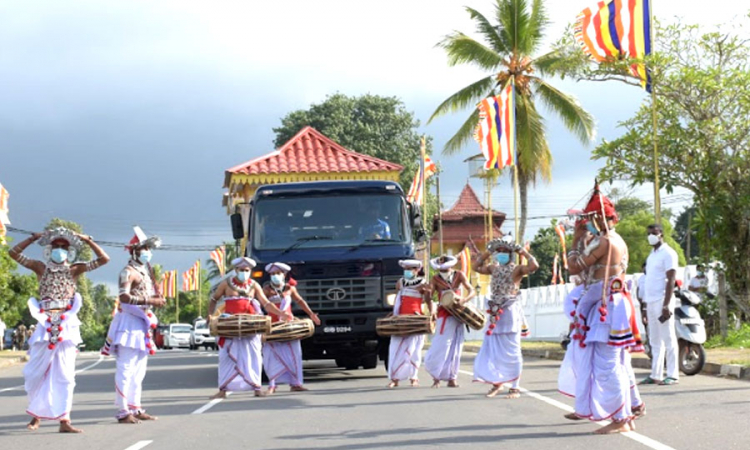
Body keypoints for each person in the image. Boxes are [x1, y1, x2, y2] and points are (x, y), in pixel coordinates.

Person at [9, 227, 109, 433]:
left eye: (64, 247)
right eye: (56, 246)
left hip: (67, 324)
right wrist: (32, 238)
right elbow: (13, 254)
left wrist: (88, 240)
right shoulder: (40, 267)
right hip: (44, 322)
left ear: (70, 250)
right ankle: (35, 416)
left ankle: (65, 420)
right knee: (36, 373)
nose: (60, 250)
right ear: (49, 249)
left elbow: (104, 259)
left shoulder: (74, 269)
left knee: (65, 375)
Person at [565, 187, 644, 434]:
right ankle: (630, 410)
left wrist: (576, 239)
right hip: (611, 303)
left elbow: (573, 267)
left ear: (599, 218)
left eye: (590, 219)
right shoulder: (617, 239)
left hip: (605, 306)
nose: (587, 223)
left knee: (606, 365)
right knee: (619, 362)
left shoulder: (604, 241)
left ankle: (621, 419)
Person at [102, 226, 165, 424]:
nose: (148, 252)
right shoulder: (127, 272)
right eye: (144, 248)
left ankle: (135, 407)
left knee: (139, 370)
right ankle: (122, 410)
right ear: (135, 251)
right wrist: (151, 300)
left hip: (142, 323)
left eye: (148, 248)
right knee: (126, 368)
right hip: (128, 323)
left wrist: (154, 300)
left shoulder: (144, 272)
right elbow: (124, 297)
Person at [208, 257, 291, 399]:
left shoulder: (254, 285)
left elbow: (266, 303)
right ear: (235, 270)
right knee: (225, 357)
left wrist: (280, 313)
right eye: (241, 270)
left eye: (247, 271)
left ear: (250, 271)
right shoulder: (226, 284)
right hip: (230, 324)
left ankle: (256, 388)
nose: (244, 273)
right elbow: (214, 299)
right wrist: (210, 315)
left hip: (250, 324)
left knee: (254, 356)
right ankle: (223, 390)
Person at [473, 236, 538, 399]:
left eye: (505, 252)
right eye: (499, 251)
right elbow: (475, 266)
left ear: (511, 254)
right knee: (495, 350)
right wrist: (488, 252)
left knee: (512, 350)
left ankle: (515, 387)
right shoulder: (493, 268)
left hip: (509, 310)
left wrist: (521, 251)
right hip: (494, 310)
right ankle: (497, 383)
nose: (501, 254)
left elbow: (534, 265)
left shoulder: (517, 269)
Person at [262, 262, 320, 394]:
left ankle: (296, 383)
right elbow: (260, 304)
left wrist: (311, 314)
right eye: (272, 274)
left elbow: (300, 301)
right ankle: (272, 385)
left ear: (284, 274)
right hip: (273, 327)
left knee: (294, 355)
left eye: (278, 273)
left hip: (289, 326)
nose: (275, 276)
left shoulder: (290, 288)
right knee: (271, 356)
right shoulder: (266, 290)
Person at [423, 255, 475, 388]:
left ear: (450, 265)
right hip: (444, 313)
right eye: (441, 266)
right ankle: (436, 377)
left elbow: (472, 290)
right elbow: (429, 296)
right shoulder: (435, 278)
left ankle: (452, 377)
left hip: (458, 312)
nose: (444, 268)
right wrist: (429, 298)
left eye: (445, 266)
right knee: (442, 345)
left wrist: (464, 300)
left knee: (456, 346)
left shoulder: (459, 274)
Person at [639, 224, 680, 386]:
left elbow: (671, 280)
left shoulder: (668, 253)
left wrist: (666, 305)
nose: (651, 236)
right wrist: (644, 305)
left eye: (654, 233)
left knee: (669, 338)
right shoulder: (652, 254)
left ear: (661, 234)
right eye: (649, 233)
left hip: (663, 301)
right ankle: (655, 374)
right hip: (650, 301)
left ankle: (672, 374)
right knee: (655, 340)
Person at [385, 259, 432, 388]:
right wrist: (393, 312)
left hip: (415, 318)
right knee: (395, 348)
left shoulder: (423, 283)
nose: (407, 271)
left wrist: (432, 314)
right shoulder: (400, 282)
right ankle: (394, 378)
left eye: (410, 268)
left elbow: (428, 301)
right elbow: (398, 297)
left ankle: (414, 377)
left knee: (414, 349)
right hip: (400, 318)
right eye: (406, 268)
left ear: (416, 270)